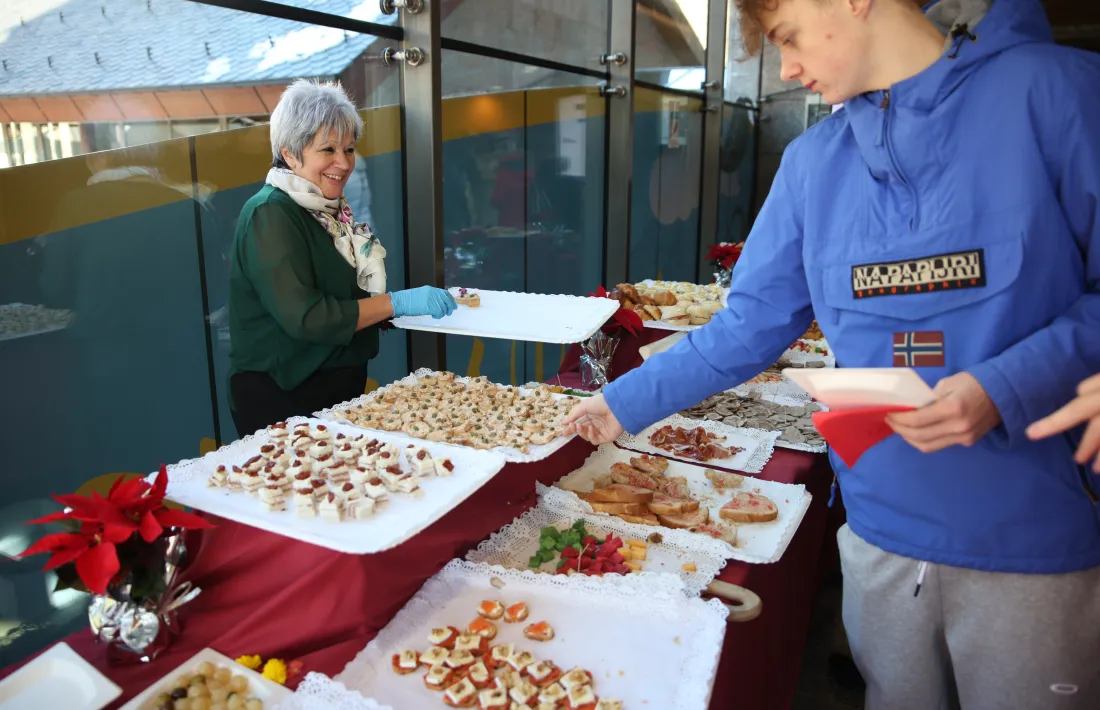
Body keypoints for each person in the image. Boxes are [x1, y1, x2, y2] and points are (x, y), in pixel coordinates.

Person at [565, 0, 1100, 708]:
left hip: (1034, 534)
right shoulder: (813, 162)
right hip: (880, 532)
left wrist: (1006, 384)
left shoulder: (1059, 92)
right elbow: (747, 327)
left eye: (786, 37)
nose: (785, 69)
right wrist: (615, 402)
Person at [228, 79, 455, 436]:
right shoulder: (270, 213)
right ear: (289, 153)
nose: (343, 163)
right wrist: (394, 303)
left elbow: (338, 294)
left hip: (335, 384)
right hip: (284, 393)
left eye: (349, 150)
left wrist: (385, 310)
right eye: (328, 149)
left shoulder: (328, 210)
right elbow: (308, 317)